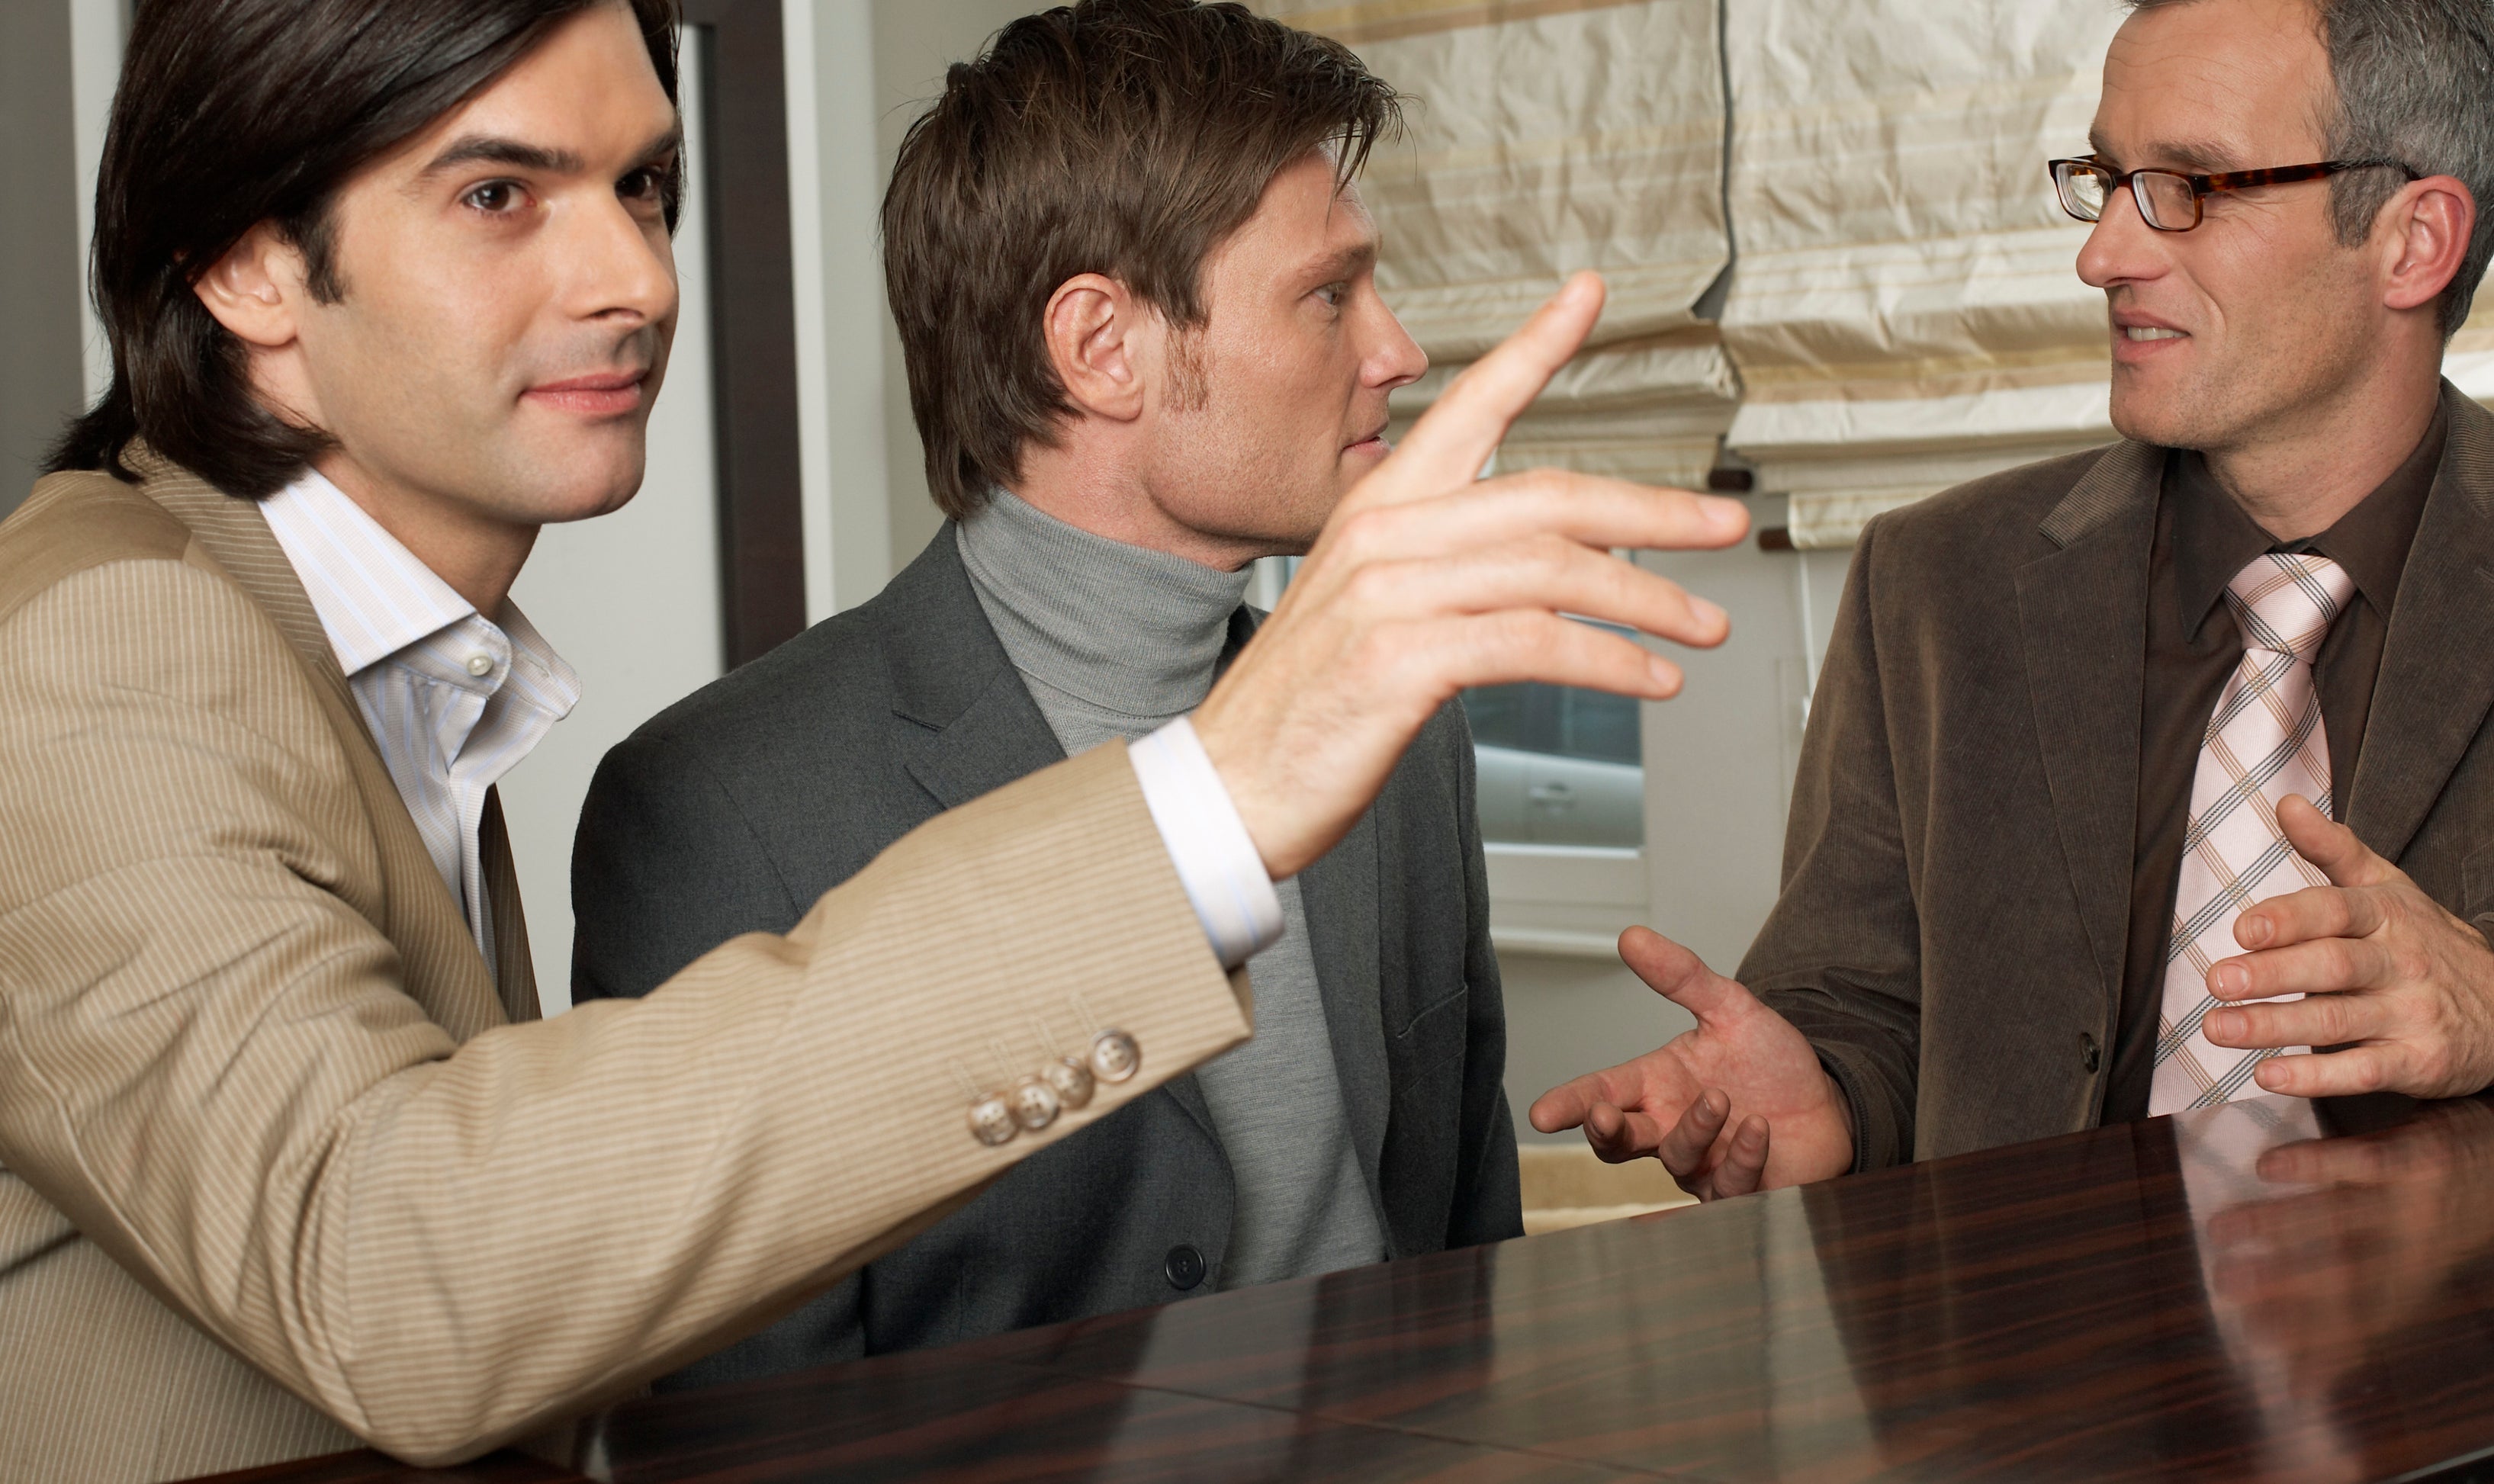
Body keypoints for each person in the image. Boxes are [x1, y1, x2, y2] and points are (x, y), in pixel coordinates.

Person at [0, 0, 1748, 1478]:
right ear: (244, 266)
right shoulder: (112, 636)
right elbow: (394, 1270)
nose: (635, 274)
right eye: (497, 194)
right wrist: (1205, 805)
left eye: (646, 187)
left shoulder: (385, 666)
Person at [570, 0, 1517, 1384]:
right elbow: (750, 1435)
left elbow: (1473, 1263)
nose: (1397, 348)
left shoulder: (1402, 724)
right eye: (1329, 293)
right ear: (1100, 348)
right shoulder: (721, 812)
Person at [1534, 0, 2494, 1199]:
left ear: (2413, 241)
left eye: (2190, 184)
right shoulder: (1934, 585)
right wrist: (1823, 1100)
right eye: (2106, 178)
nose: (2103, 254)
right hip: (2017, 1360)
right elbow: (1859, 1014)